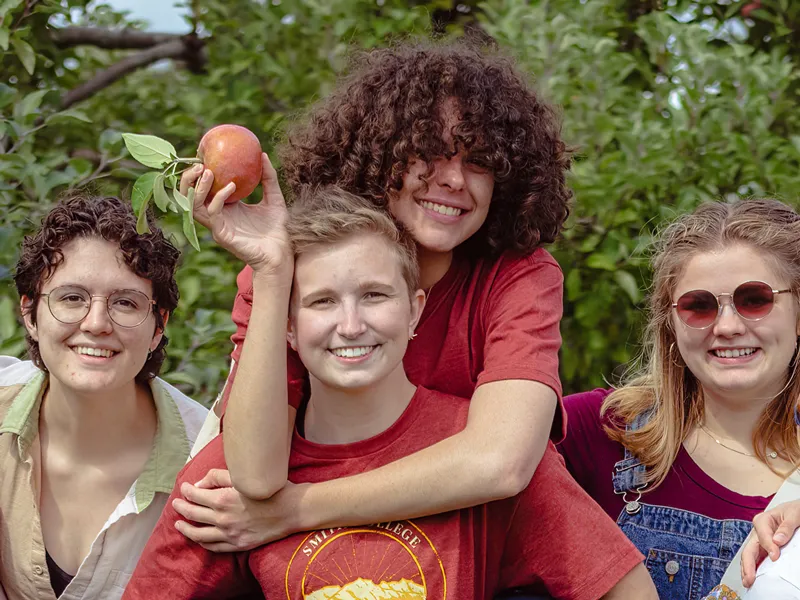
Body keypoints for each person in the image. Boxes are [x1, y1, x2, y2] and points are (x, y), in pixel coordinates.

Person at [123, 186, 655, 599]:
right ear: (284, 325)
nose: (351, 324)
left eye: (374, 295)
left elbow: (626, 589)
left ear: (416, 309)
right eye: (322, 302)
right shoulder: (227, 486)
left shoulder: (487, 451)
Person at [174, 38, 579, 554]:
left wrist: (294, 509)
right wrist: (273, 271)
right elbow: (254, 475)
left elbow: (501, 463)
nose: (453, 179)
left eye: (480, 161)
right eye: (431, 153)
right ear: (377, 154)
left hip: (486, 555)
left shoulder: (519, 276)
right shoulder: (294, 268)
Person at [557, 198, 800, 600]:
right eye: (698, 306)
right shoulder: (597, 431)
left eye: (754, 300)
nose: (726, 326)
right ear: (670, 324)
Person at [0, 194, 208, 600]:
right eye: (72, 297)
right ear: (30, 315)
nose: (96, 324)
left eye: (125, 303)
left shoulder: (207, 458)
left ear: (158, 326)